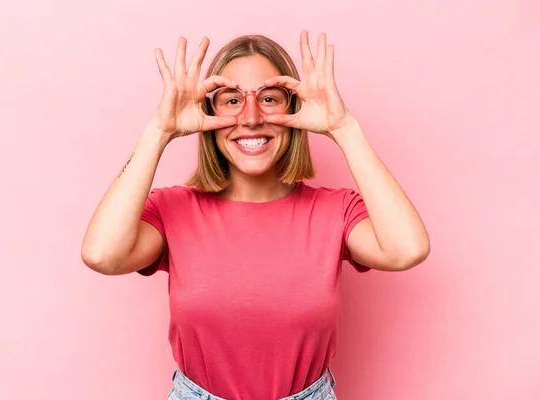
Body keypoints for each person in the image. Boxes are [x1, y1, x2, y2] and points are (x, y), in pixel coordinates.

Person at [81, 30, 430, 400]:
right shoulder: (172, 209)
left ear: (294, 111)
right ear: (208, 114)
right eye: (232, 100)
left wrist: (344, 128)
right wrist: (159, 131)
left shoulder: (336, 210)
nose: (250, 118)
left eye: (268, 99)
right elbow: (103, 255)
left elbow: (405, 249)